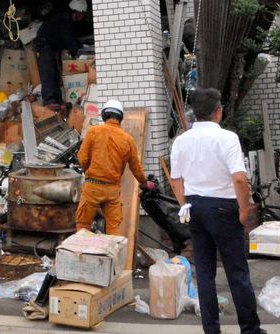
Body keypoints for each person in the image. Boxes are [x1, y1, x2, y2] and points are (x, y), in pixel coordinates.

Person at [169, 89, 264, 334]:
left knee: (204, 272)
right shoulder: (227, 138)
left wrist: (183, 205)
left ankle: (211, 330)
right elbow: (240, 179)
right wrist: (244, 210)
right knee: (236, 270)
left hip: (194, 206)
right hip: (224, 206)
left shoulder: (181, 140)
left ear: (195, 114)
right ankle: (250, 329)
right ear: (218, 111)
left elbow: (176, 179)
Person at [74, 99, 151, 235]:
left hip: (92, 187)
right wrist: (145, 183)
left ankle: (83, 253)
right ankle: (114, 255)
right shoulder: (127, 139)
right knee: (114, 229)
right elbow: (136, 168)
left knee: (83, 226)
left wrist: (88, 171)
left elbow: (82, 158)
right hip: (112, 191)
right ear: (120, 118)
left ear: (104, 115)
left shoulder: (93, 131)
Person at [35, 0, 89, 108]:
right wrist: (76, 54)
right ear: (77, 12)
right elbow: (68, 39)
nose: (82, 17)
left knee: (56, 74)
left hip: (52, 47)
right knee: (49, 73)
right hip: (46, 47)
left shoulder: (65, 19)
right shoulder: (64, 19)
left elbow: (68, 39)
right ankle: (49, 101)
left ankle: (57, 100)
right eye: (82, 14)